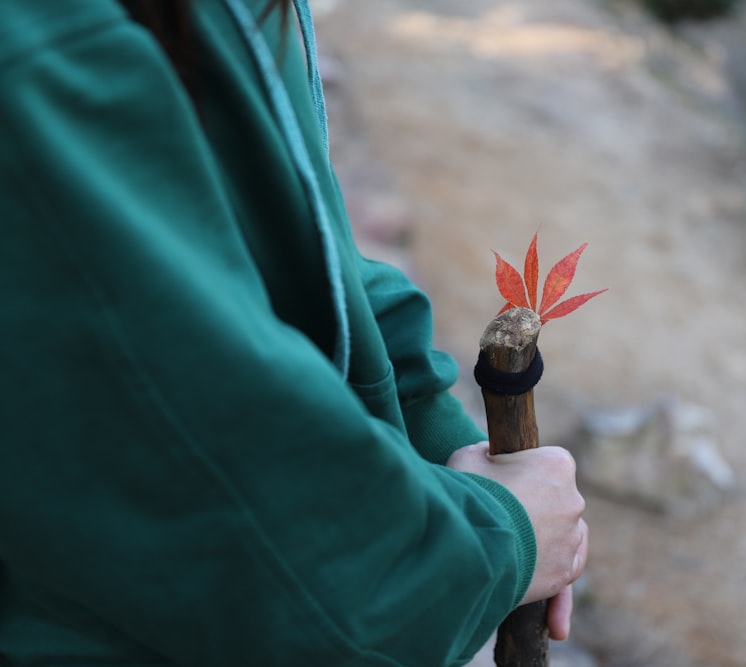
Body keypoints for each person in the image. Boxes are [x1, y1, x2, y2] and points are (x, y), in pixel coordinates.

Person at [0, 0, 588, 665]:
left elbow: (302, 239)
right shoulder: (36, 47)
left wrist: (455, 447)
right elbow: (239, 490)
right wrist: (501, 536)